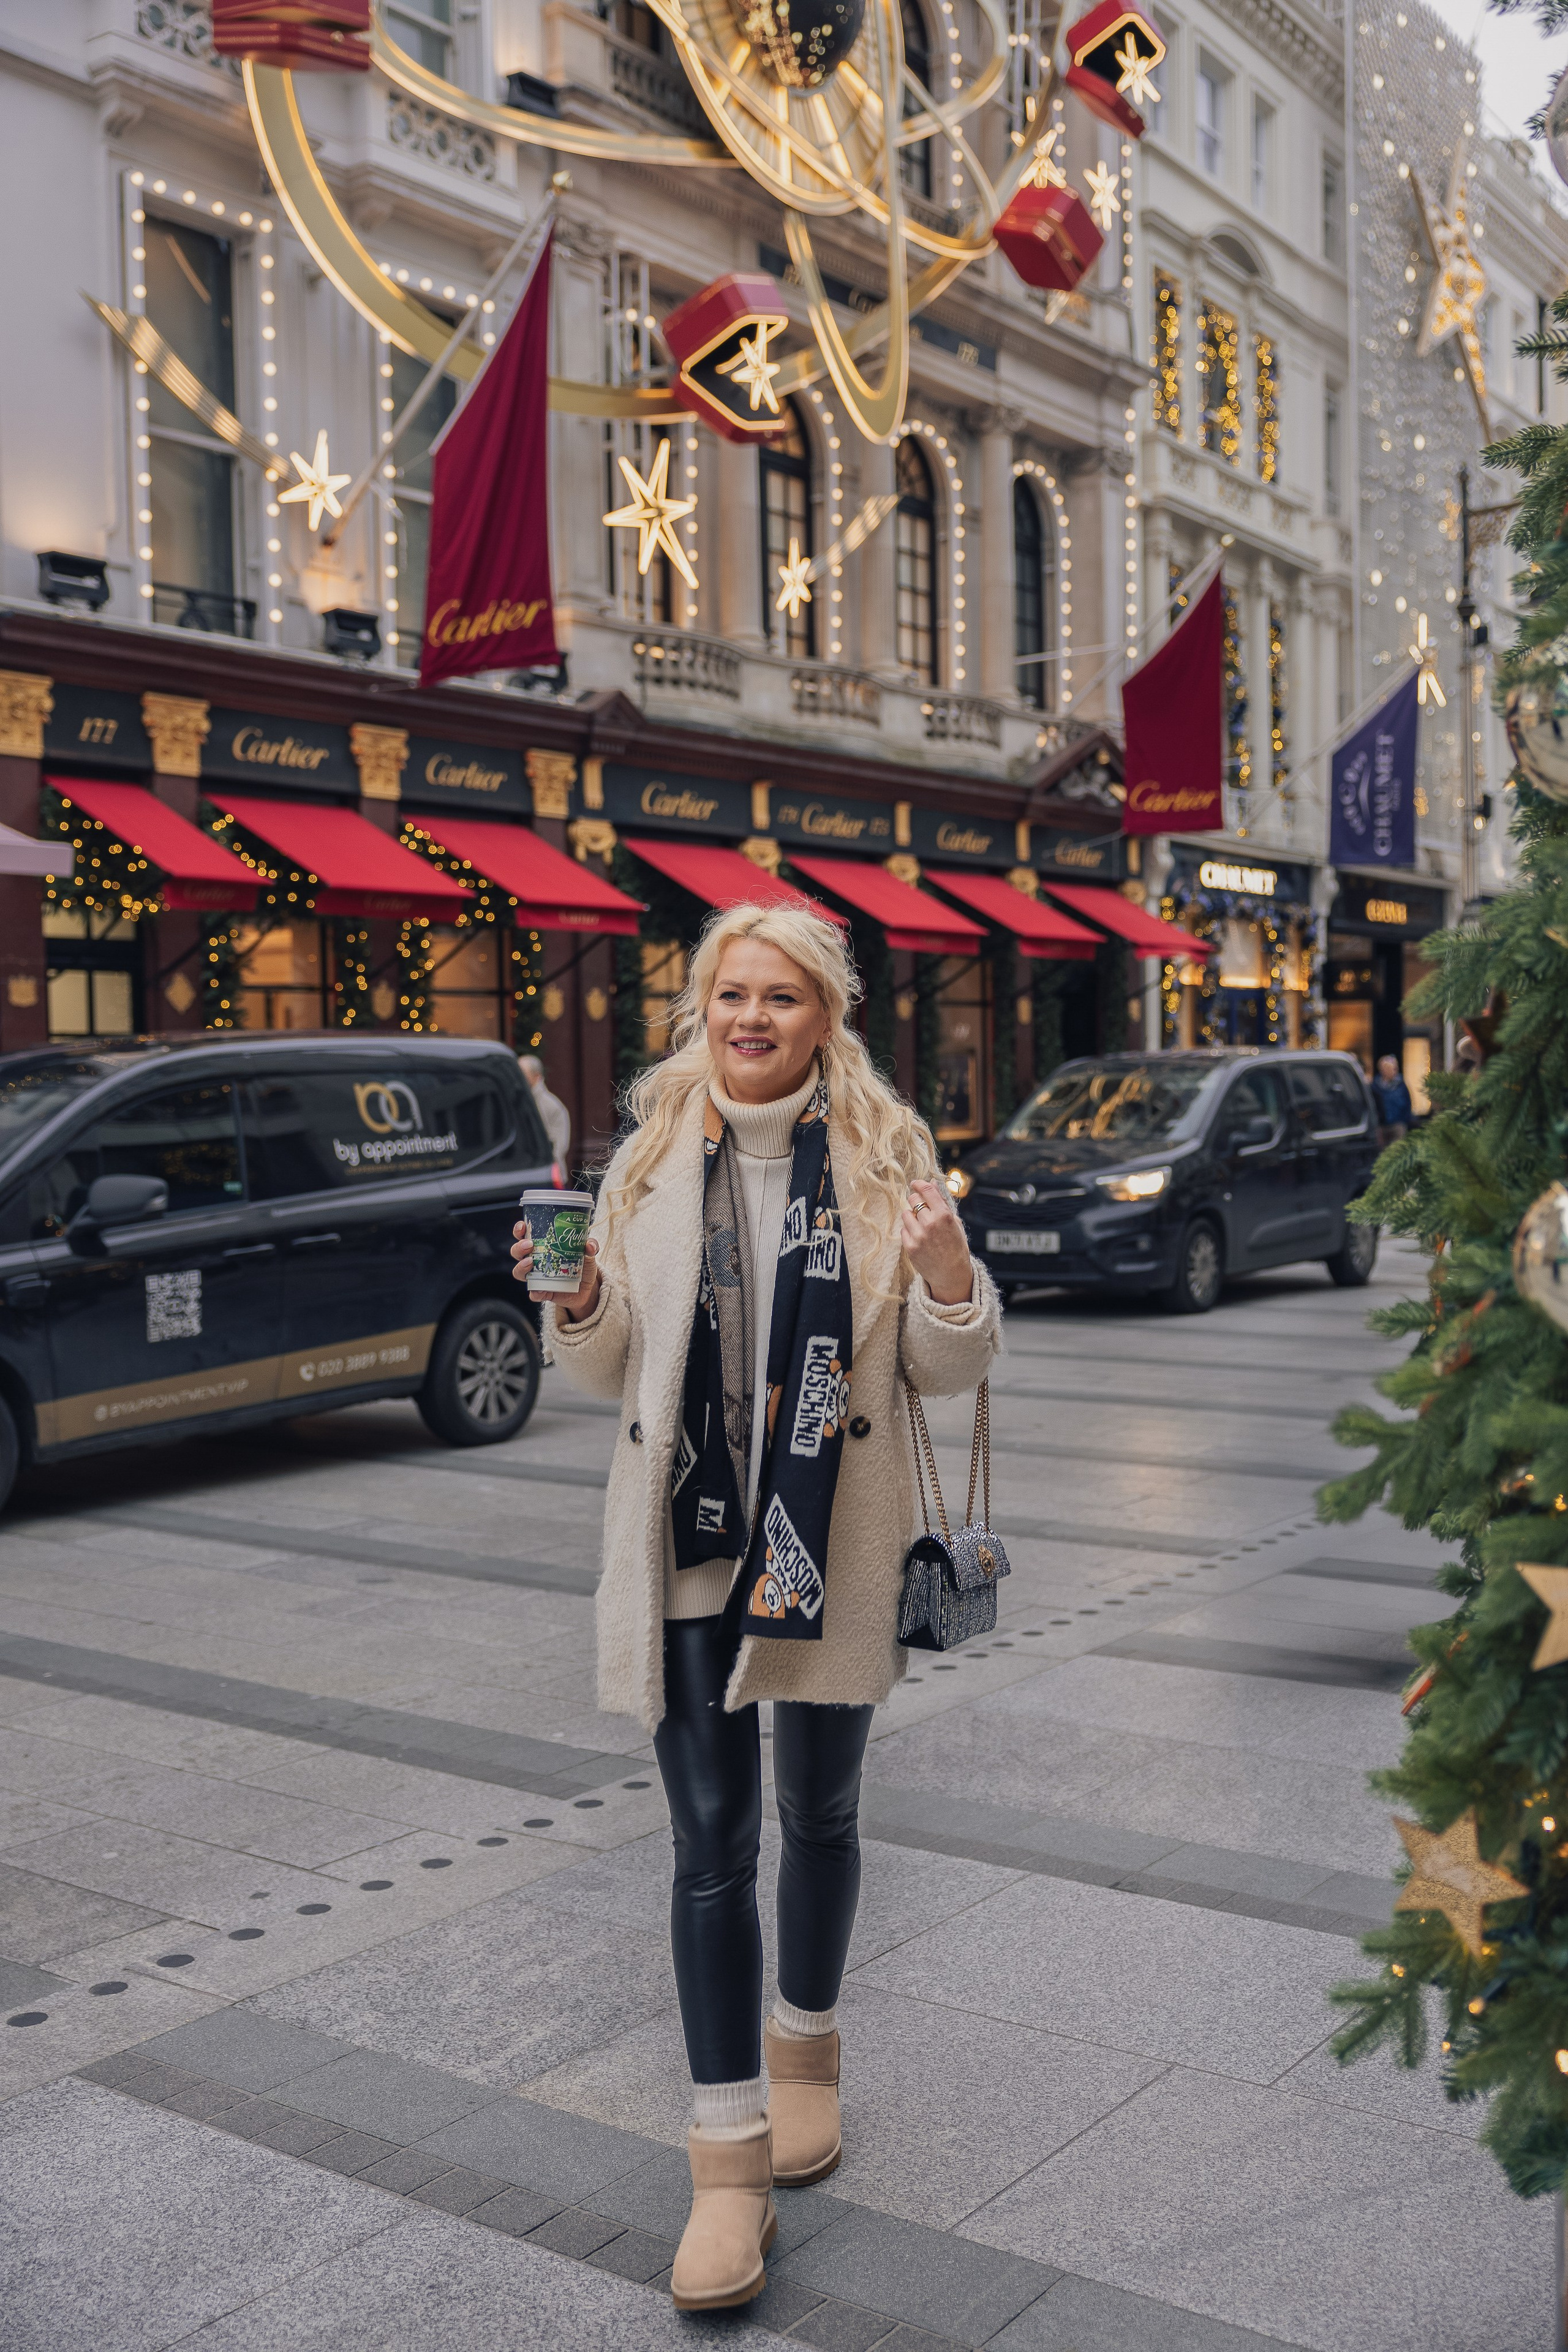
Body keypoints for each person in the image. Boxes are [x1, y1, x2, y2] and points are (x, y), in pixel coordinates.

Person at [511, 904, 1000, 2313]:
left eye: (780, 996)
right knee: (711, 1843)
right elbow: (609, 1369)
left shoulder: (885, 1155)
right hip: (686, 1546)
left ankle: (806, 2052)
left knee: (824, 1815)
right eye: (731, 992)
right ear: (702, 1004)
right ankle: (725, 2161)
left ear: (823, 1015)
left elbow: (943, 1365)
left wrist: (953, 1272)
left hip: (825, 1546)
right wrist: (579, 1299)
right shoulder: (652, 1156)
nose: (749, 1017)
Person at [519, 1052, 571, 1170]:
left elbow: (559, 1147)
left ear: (536, 1076)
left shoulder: (552, 1106)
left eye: (523, 1074)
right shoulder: (517, 1101)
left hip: (546, 1174)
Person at [1372, 1053, 1412, 1145]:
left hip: (1398, 1124)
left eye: (1395, 1068)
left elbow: (1408, 1103)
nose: (1394, 1071)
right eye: (1391, 1068)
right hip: (1381, 1126)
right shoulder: (1375, 1086)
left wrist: (1405, 1121)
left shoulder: (1401, 1085)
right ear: (1383, 1070)